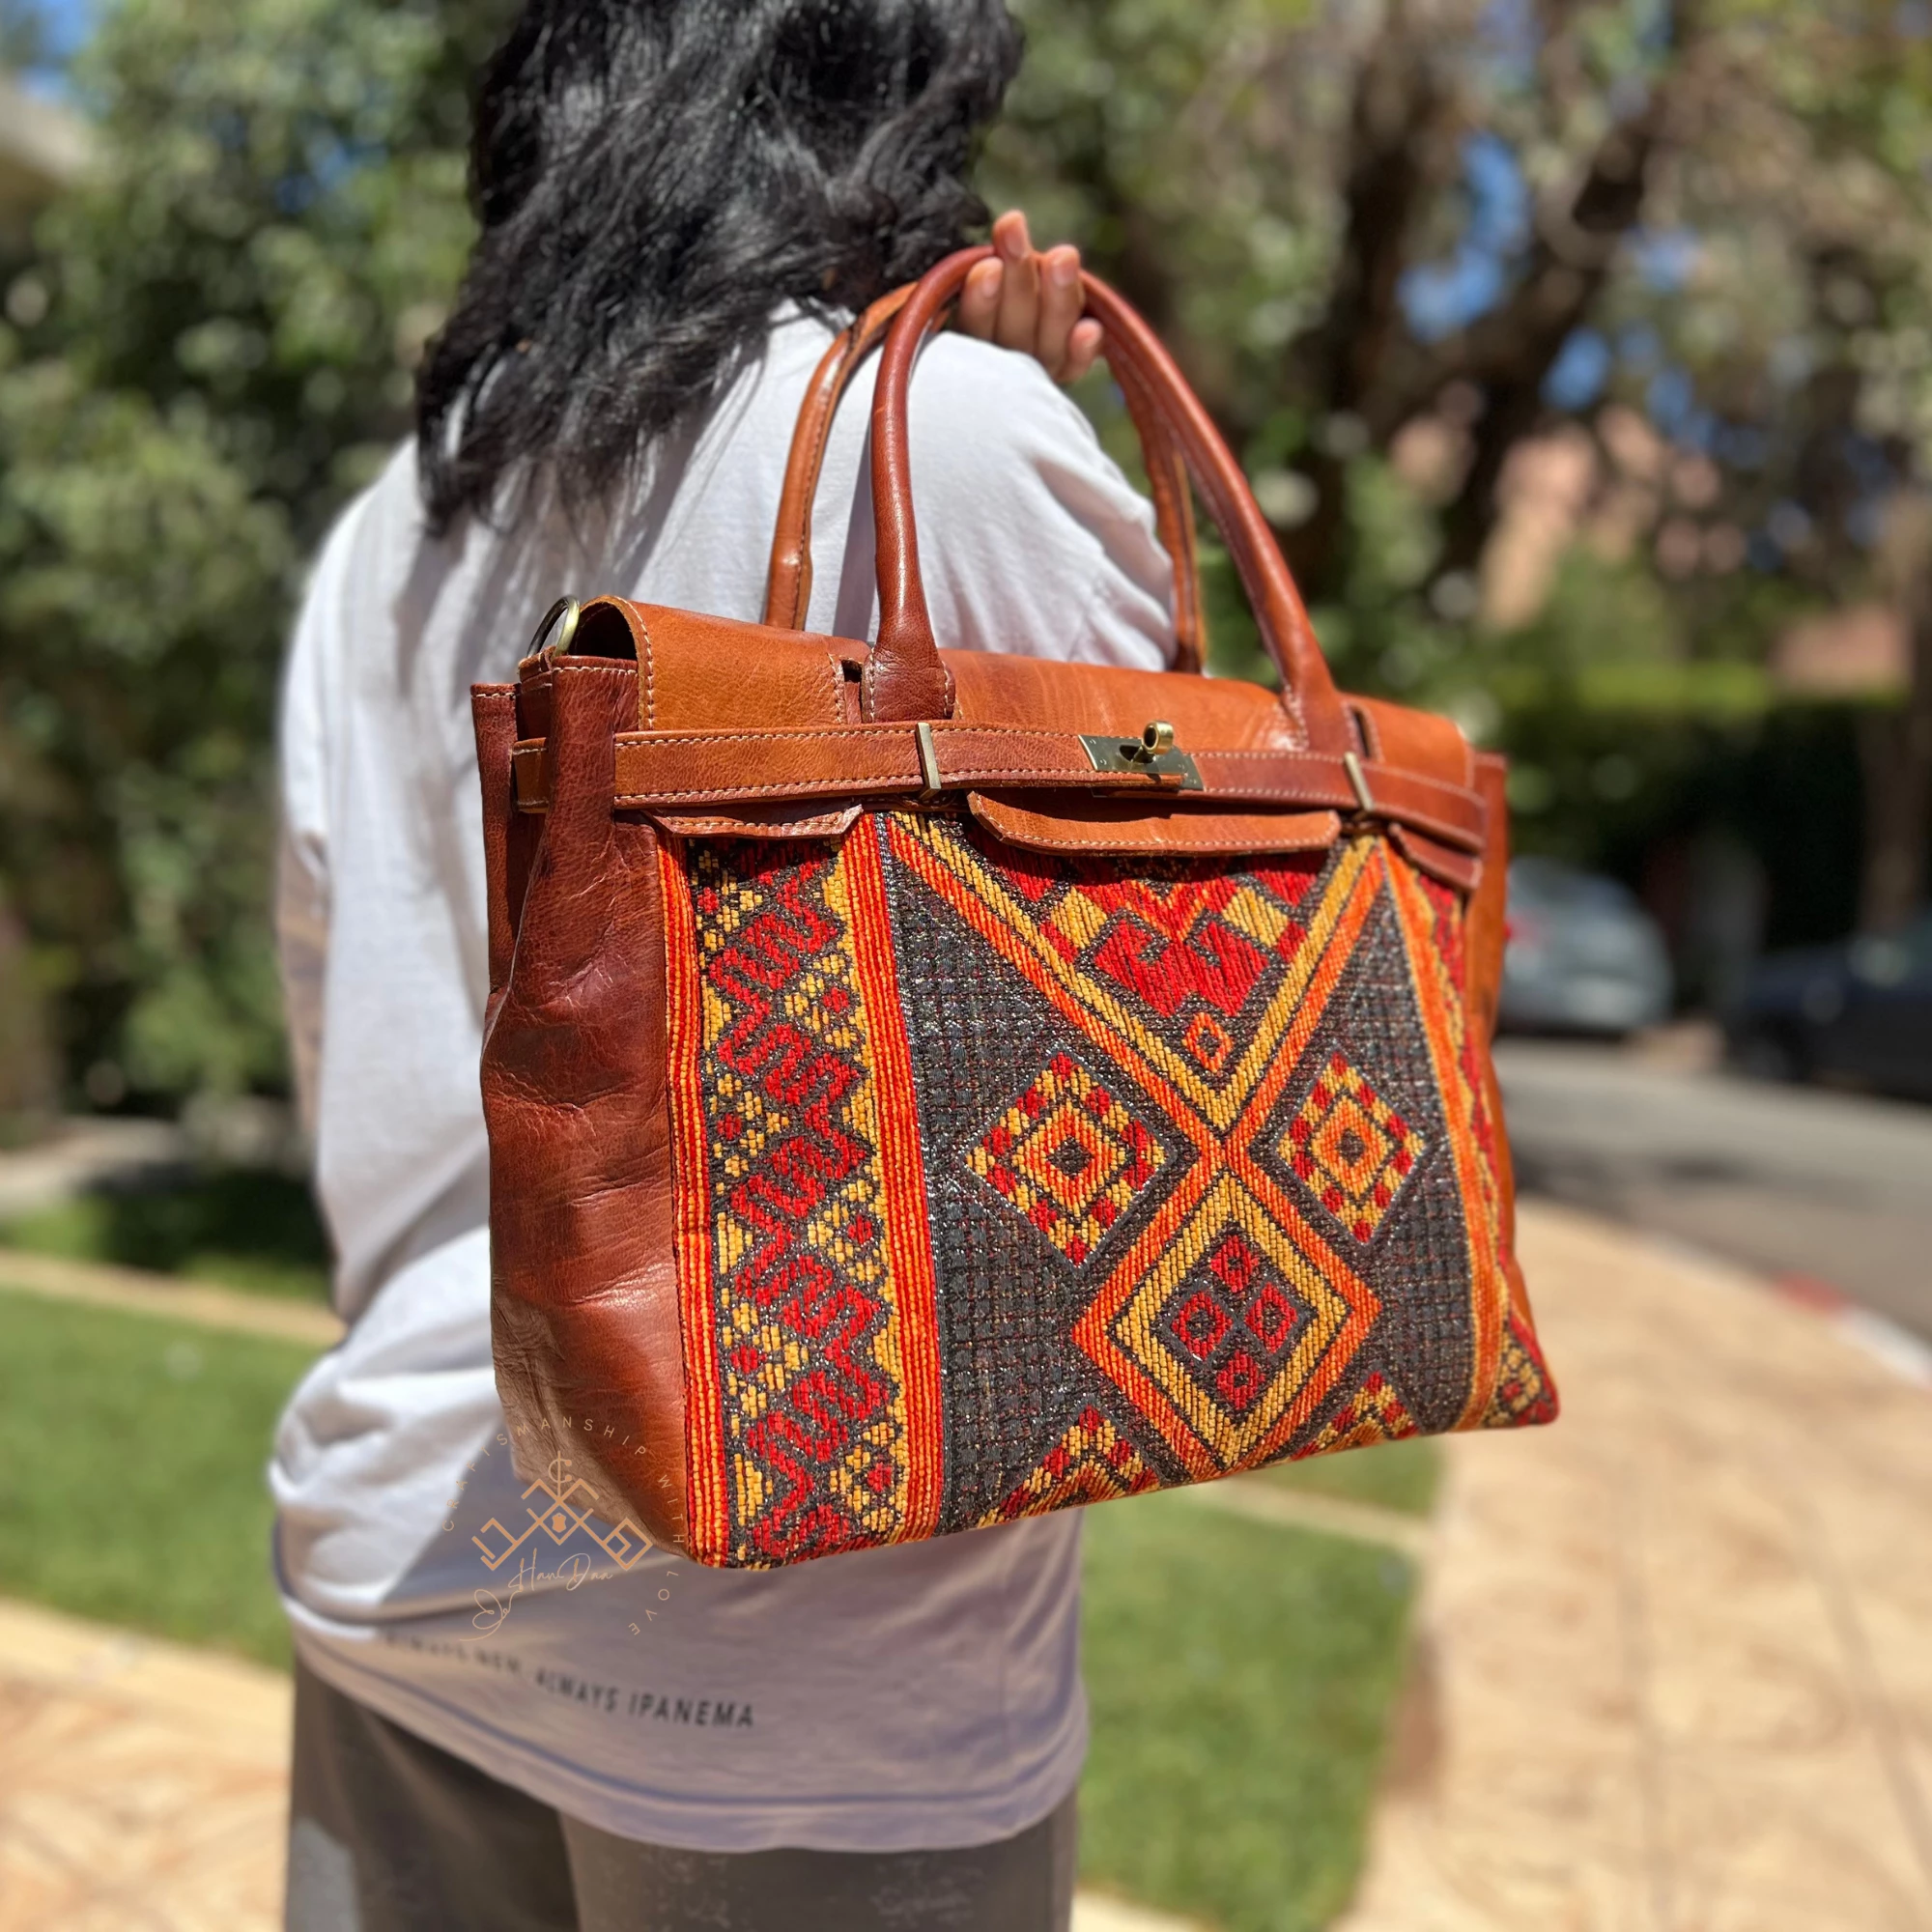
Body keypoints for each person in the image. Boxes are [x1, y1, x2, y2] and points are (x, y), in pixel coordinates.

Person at [270, 4, 1177, 1927]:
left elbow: (356, 1048)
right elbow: (1168, 977)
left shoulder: (399, 517)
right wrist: (1009, 427)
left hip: (411, 1555)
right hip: (824, 1668)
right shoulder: (947, 433)